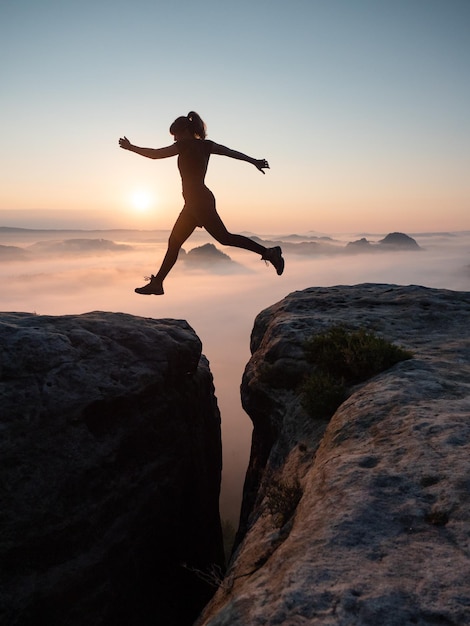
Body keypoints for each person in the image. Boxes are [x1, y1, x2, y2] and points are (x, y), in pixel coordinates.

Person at [119, 111, 284, 295]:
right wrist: (253, 161)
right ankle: (157, 283)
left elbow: (156, 154)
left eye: (175, 135)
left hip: (199, 202)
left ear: (184, 131)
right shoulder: (206, 146)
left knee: (223, 238)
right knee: (175, 242)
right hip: (194, 202)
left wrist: (131, 147)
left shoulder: (184, 146)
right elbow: (231, 153)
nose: (174, 139)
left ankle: (269, 252)